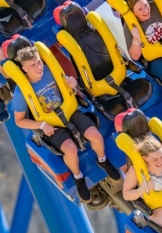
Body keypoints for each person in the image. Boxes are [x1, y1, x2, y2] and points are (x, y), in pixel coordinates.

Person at [8, 42, 120, 202]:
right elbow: (19, 121)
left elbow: (70, 88)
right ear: (24, 69)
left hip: (69, 111)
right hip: (51, 124)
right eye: (33, 65)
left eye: (39, 61)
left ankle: (102, 160)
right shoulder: (21, 91)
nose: (38, 67)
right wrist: (40, 125)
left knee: (95, 135)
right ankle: (78, 177)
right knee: (70, 149)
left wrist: (72, 85)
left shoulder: (50, 71)